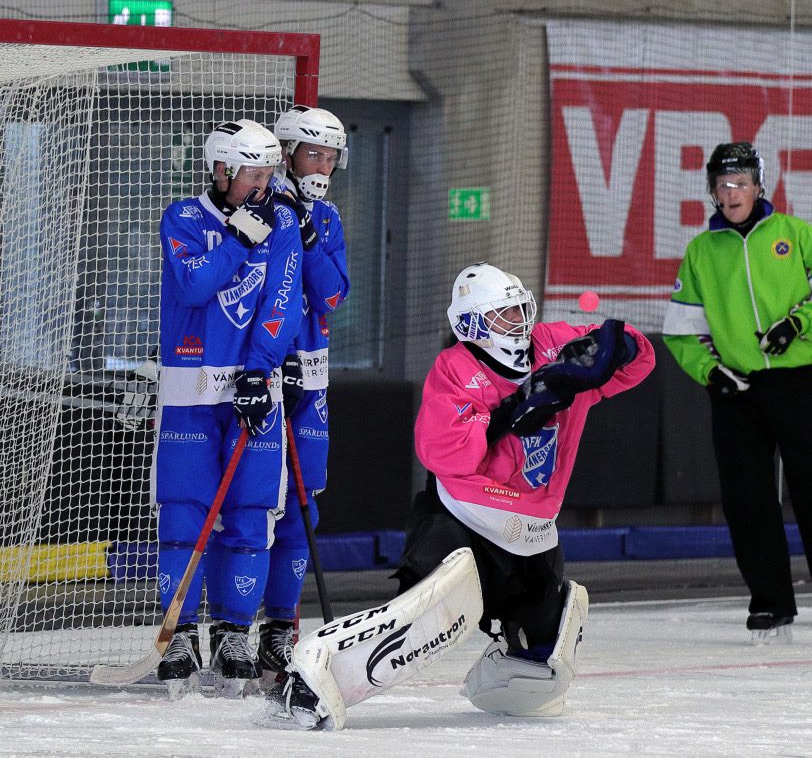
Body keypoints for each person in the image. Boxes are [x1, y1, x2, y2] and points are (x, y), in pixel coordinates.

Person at [264, 262, 654, 729]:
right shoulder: (454, 369)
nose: (520, 323)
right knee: (421, 622)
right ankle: (314, 675)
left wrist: (601, 351)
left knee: (547, 655)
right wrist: (512, 409)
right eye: (504, 315)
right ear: (472, 325)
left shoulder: (551, 344)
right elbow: (443, 452)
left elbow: (637, 357)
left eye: (520, 310)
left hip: (533, 531)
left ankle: (508, 678)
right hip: (465, 520)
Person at [155, 118, 304, 698]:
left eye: (269, 173)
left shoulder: (284, 220)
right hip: (191, 390)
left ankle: (236, 632)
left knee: (250, 514)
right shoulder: (182, 218)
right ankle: (183, 634)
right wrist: (242, 237)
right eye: (253, 173)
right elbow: (193, 287)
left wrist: (259, 367)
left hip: (252, 389)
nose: (264, 185)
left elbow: (284, 297)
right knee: (184, 516)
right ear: (220, 170)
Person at [662, 141, 812, 644]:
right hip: (737, 391)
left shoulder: (795, 234)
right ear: (712, 191)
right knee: (748, 500)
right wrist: (710, 373)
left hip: (800, 383)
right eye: (723, 185)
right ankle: (770, 603)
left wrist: (798, 324)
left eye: (741, 183)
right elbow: (681, 331)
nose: (732, 193)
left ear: (759, 185)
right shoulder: (701, 253)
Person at [256, 105, 352, 686]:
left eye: (330, 157)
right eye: (313, 154)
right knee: (248, 509)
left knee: (303, 505)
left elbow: (333, 297)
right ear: (287, 156)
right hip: (257, 374)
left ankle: (277, 632)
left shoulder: (329, 217)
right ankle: (225, 631)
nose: (322, 167)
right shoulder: (257, 209)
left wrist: (313, 235)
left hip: (309, 379)